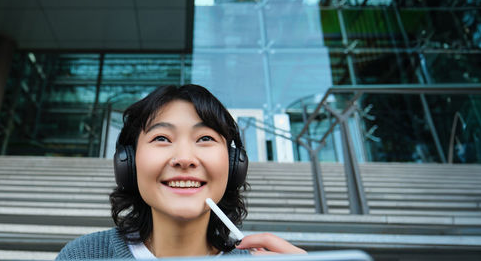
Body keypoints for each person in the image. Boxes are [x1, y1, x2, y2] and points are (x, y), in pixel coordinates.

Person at [56, 85, 305, 259]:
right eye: (162, 138)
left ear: (234, 164)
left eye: (205, 138)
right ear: (128, 162)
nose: (184, 159)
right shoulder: (83, 255)